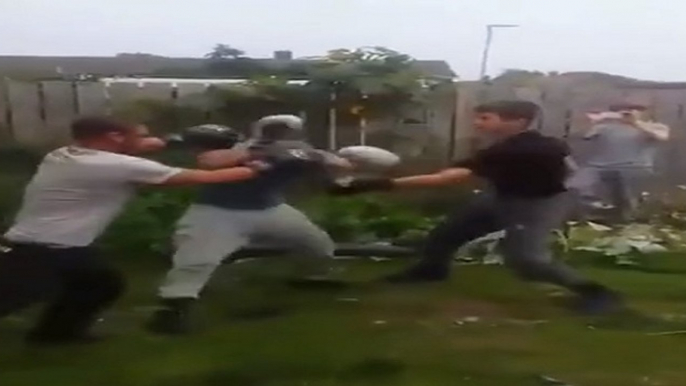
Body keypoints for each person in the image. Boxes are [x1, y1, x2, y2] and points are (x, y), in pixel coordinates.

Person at [0, 116, 298, 346]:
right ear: (113, 137)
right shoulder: (113, 165)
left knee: (102, 285)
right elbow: (208, 177)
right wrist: (262, 165)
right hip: (41, 249)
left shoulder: (66, 154)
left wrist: (172, 141)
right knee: (17, 295)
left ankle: (53, 336)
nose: (146, 139)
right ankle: (53, 333)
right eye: (138, 136)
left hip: (69, 246)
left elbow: (146, 148)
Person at [329, 100, 622, 315]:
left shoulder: (521, 149)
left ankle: (597, 293)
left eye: (485, 117)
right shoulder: (516, 146)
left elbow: (447, 179)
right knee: (449, 233)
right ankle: (431, 271)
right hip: (503, 196)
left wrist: (373, 185)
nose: (478, 123)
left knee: (528, 261)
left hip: (537, 204)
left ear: (517, 121)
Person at [147, 115, 353, 335]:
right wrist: (264, 153)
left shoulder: (303, 151)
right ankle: (173, 309)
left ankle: (311, 279)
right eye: (274, 129)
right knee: (196, 260)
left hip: (271, 210)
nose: (278, 133)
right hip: (217, 213)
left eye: (284, 129)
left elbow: (342, 166)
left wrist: (314, 157)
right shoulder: (240, 147)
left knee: (318, 245)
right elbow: (209, 162)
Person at [569, 104, 669, 223]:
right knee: (574, 185)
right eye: (622, 111)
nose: (627, 113)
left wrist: (635, 123)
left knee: (625, 198)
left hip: (634, 167)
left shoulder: (655, 127)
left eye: (632, 110)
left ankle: (624, 221)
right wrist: (592, 122)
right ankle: (588, 217)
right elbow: (581, 136)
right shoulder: (604, 127)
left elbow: (662, 137)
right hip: (598, 167)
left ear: (642, 113)